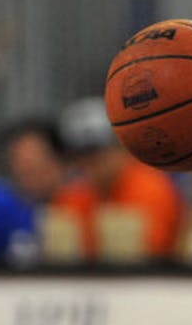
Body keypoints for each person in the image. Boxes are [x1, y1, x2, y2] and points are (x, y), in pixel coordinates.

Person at [51, 97, 183, 260]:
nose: (89, 163)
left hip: (153, 282)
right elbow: (61, 252)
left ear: (121, 147)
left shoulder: (148, 186)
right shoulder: (76, 193)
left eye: (96, 152)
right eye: (81, 155)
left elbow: (147, 253)